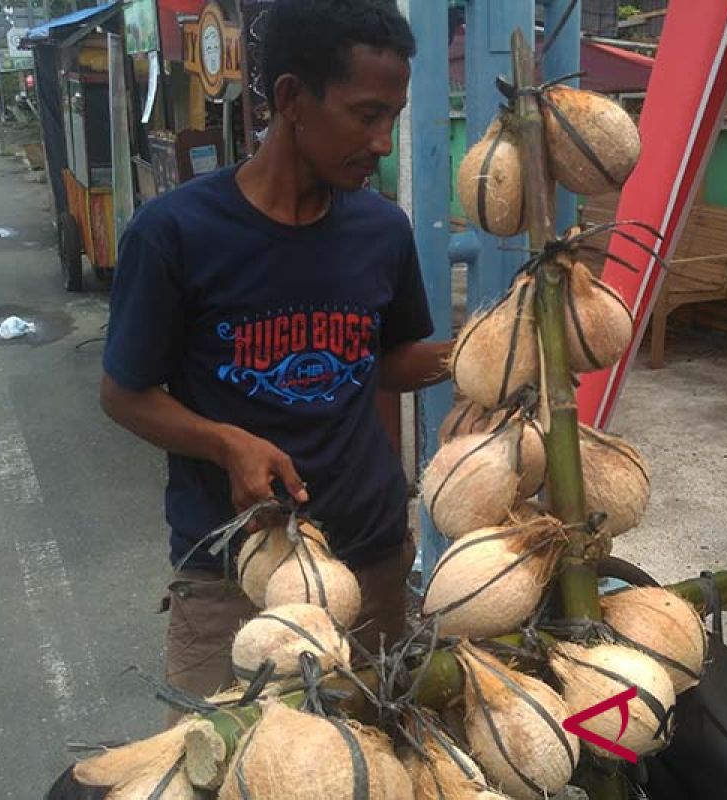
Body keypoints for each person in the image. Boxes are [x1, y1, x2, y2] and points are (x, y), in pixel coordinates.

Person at [100, 0, 448, 706]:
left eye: (393, 117)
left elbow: (388, 358)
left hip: (370, 558)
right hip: (234, 574)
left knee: (373, 758)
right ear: (291, 98)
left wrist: (488, 355)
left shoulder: (381, 230)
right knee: (220, 764)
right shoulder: (175, 234)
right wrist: (225, 442)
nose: (384, 142)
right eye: (366, 114)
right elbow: (124, 392)